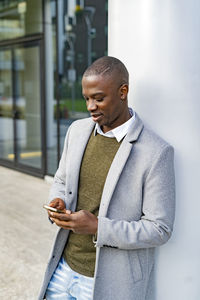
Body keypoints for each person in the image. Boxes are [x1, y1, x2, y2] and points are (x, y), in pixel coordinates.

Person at [38, 56, 175, 300]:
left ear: (123, 92)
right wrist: (58, 199)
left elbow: (159, 229)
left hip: (110, 283)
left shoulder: (156, 152)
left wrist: (98, 227)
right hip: (62, 271)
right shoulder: (77, 131)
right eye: (87, 98)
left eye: (99, 98)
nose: (91, 106)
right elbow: (61, 180)